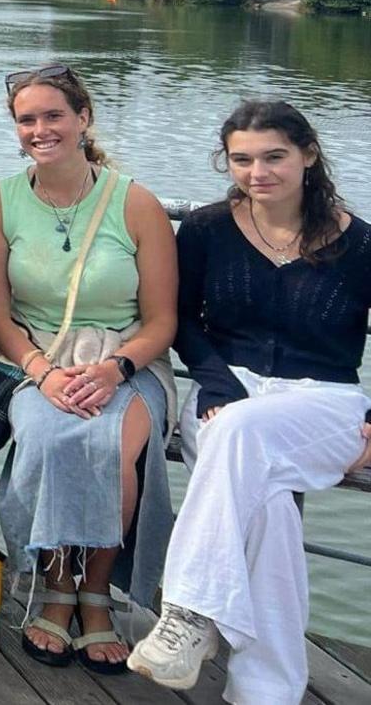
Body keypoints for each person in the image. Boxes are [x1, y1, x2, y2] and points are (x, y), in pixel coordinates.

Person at [128, 100, 371, 703]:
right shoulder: (208, 230)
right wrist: (214, 379)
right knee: (266, 509)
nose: (257, 171)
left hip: (325, 404)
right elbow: (180, 319)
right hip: (223, 387)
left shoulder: (360, 244)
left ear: (308, 156)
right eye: (242, 159)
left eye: (274, 157)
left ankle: (186, 612)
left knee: (240, 438)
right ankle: (267, 688)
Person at [0, 63, 177, 674]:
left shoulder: (135, 201)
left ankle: (95, 594)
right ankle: (55, 585)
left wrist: (116, 368)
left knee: (106, 446)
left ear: (83, 119)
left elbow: (162, 322)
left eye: (54, 116)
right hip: (36, 358)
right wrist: (42, 371)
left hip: (128, 362)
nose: (41, 130)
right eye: (27, 120)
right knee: (44, 436)